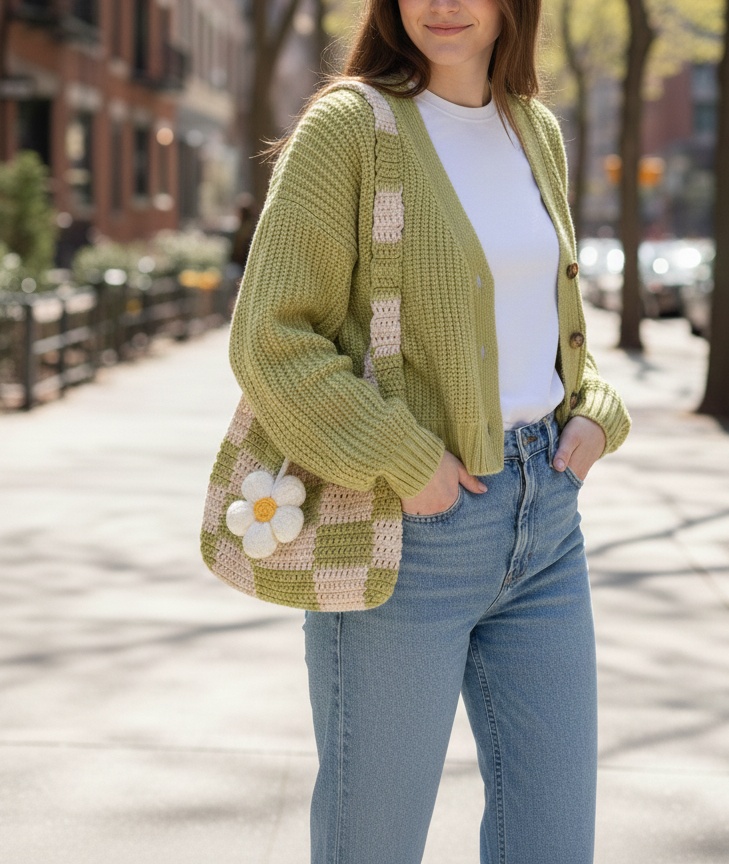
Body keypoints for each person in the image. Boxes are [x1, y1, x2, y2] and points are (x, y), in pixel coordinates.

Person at [229, 1, 631, 861]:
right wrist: (405, 460)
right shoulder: (350, 129)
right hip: (406, 535)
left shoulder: (537, 132)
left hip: (548, 531)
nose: (442, 5)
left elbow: (548, 325)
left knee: (554, 842)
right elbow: (270, 336)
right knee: (373, 842)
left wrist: (595, 407)